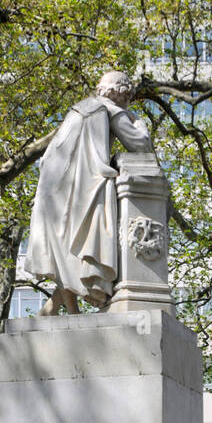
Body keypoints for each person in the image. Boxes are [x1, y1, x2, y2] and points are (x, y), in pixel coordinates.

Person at [26, 72, 153, 313]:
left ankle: (55, 311)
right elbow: (140, 145)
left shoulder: (79, 109)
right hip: (82, 191)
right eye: (129, 96)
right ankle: (67, 311)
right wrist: (139, 122)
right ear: (121, 92)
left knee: (67, 253)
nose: (129, 100)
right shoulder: (109, 109)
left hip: (52, 194)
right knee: (80, 252)